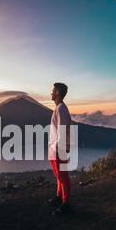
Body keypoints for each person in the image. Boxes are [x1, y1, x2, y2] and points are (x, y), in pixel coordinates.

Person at [48, 82, 72, 214]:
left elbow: (64, 130)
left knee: (63, 176)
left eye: (53, 90)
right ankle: (59, 197)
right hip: (55, 148)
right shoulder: (58, 108)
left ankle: (66, 203)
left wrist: (59, 148)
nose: (51, 92)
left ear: (57, 93)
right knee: (59, 175)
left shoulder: (61, 109)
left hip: (58, 148)